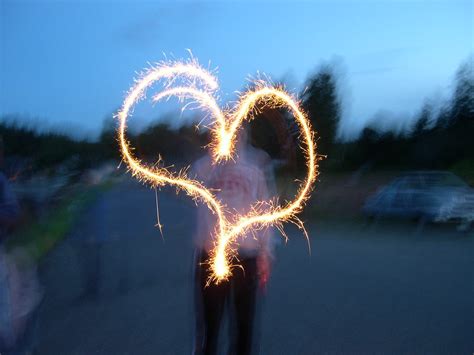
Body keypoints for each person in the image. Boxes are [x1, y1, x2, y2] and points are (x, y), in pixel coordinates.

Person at [192, 128, 275, 355]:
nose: (232, 136)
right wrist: (217, 156)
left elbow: (266, 212)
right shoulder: (205, 167)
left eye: (237, 132)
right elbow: (195, 180)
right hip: (210, 257)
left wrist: (265, 253)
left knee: (244, 328)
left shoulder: (255, 168)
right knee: (209, 327)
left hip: (246, 257)